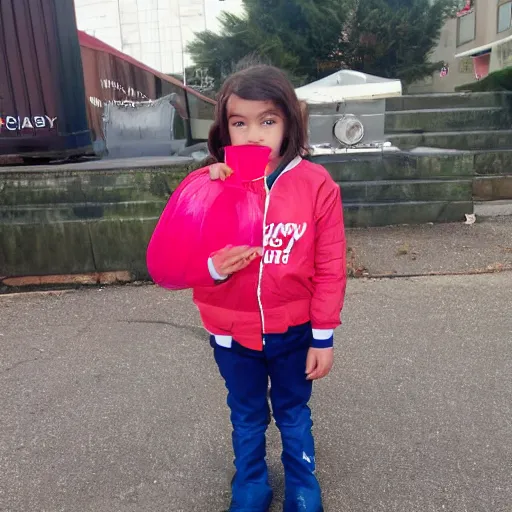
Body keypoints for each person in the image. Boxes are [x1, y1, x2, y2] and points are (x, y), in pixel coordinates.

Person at [192, 65, 346, 511]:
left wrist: (323, 336)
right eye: (240, 123)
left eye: (268, 120)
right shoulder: (211, 185)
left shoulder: (317, 185)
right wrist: (213, 267)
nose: (254, 134)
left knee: (294, 413)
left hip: (294, 331)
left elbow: (331, 266)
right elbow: (180, 261)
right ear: (225, 128)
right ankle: (251, 483)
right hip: (231, 332)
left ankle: (302, 483)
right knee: (246, 414)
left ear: (289, 124)